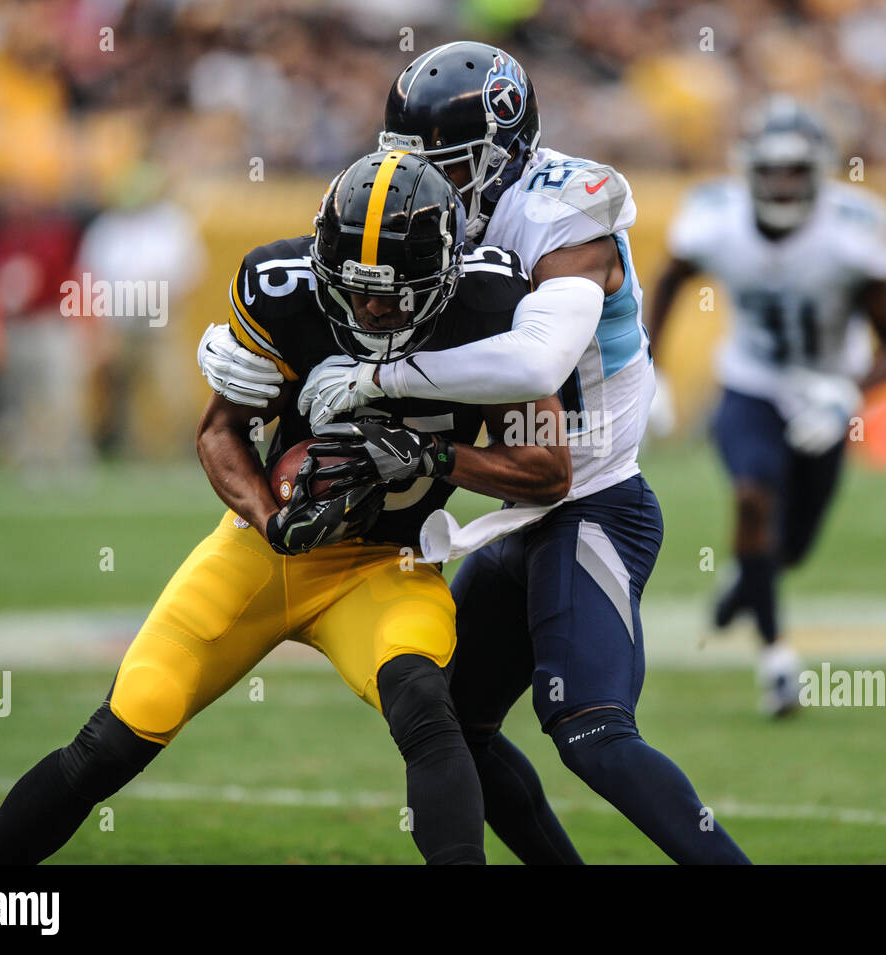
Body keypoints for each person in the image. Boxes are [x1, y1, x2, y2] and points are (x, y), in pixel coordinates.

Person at [201, 42, 749, 864]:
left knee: (591, 731)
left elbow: (534, 361)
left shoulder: (566, 211)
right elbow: (338, 283)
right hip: (520, 511)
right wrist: (246, 349)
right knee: (449, 729)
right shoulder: (429, 216)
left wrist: (375, 376)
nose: (436, 186)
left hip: (592, 500)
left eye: (451, 166)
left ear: (504, 150)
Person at [0, 151, 570, 865]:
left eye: (395, 292)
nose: (373, 307)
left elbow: (548, 469)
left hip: (387, 564)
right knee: (115, 737)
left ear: (444, 270)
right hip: (266, 553)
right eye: (357, 289)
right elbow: (220, 430)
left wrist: (431, 454)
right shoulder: (285, 290)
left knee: (428, 712)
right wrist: (270, 516)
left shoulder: (491, 301)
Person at [645, 96, 886, 715]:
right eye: (771, 169)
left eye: (795, 170)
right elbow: (668, 280)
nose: (782, 183)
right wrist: (650, 368)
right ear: (748, 169)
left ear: (819, 170)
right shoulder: (714, 219)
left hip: (825, 390)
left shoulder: (855, 231)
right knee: (752, 498)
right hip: (750, 384)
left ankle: (746, 579)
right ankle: (777, 666)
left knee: (789, 548)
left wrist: (849, 394)